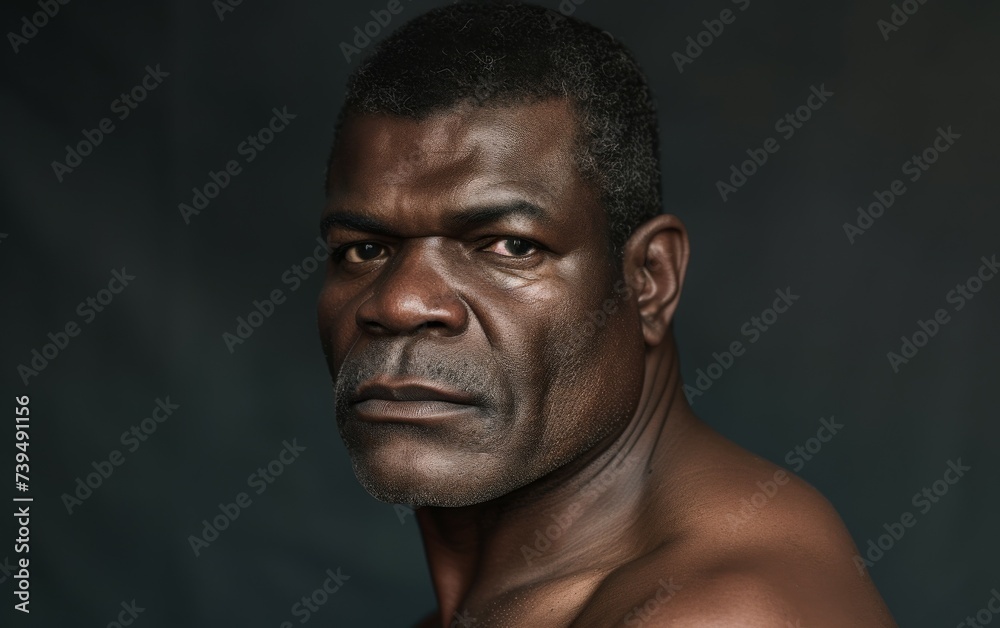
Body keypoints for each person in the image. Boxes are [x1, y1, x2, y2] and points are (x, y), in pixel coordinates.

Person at [317, 2, 896, 625]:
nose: (399, 302)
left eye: (510, 246)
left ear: (649, 280)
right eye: (364, 249)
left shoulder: (716, 612)